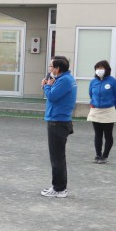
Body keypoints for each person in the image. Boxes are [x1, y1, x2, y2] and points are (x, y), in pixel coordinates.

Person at [42, 56, 78, 197]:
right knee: (58, 157)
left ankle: (59, 189)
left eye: (51, 66)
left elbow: (52, 97)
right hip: (59, 121)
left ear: (57, 68)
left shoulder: (64, 80)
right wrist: (48, 85)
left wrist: (47, 86)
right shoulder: (65, 79)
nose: (50, 69)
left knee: (57, 158)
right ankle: (57, 186)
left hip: (58, 122)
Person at [87, 60, 116, 164]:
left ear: (107, 69)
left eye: (101, 68)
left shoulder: (113, 81)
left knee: (108, 135)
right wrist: (93, 103)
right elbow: (91, 94)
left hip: (108, 111)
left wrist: (112, 107)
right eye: (97, 68)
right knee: (98, 134)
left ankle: (104, 156)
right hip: (96, 111)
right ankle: (98, 155)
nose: (99, 70)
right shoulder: (93, 82)